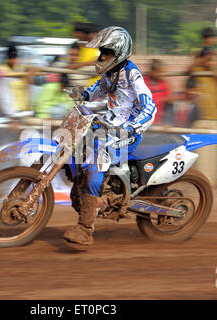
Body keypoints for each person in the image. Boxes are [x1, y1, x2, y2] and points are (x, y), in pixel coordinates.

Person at [63, 26, 157, 245]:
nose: (102, 56)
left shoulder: (132, 74)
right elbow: (98, 89)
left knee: (96, 163)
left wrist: (135, 126)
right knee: (76, 149)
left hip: (127, 131)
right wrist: (83, 93)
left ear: (119, 53)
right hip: (108, 125)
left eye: (106, 52)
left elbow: (150, 107)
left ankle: (85, 229)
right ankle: (84, 193)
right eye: (101, 51)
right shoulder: (110, 73)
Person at [187, 27, 217, 186]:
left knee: (214, 152)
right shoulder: (197, 69)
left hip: (215, 115)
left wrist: (216, 72)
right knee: (202, 153)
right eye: (210, 59)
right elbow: (190, 68)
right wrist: (205, 59)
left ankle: (211, 183)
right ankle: (201, 183)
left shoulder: (215, 75)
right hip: (202, 116)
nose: (213, 62)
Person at [143, 59, 172, 124]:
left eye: (161, 72)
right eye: (158, 72)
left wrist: (167, 122)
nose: (160, 74)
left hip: (158, 122)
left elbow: (169, 104)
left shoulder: (164, 84)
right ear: (152, 71)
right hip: (143, 121)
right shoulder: (143, 82)